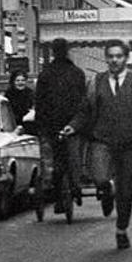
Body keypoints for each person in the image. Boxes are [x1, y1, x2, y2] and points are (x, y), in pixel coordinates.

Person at [65, 40, 132, 249]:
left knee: (126, 190)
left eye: (119, 56)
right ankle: (105, 189)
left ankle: (121, 229)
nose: (114, 60)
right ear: (106, 58)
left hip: (128, 144)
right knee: (98, 175)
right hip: (102, 140)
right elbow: (85, 110)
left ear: (126, 58)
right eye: (110, 56)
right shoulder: (96, 82)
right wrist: (73, 126)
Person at [34, 38, 88, 214]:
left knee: (55, 161)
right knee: (74, 157)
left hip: (51, 126)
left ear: (52, 52)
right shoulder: (77, 73)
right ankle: (76, 186)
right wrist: (79, 123)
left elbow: (40, 103)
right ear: (67, 51)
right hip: (73, 124)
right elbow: (83, 102)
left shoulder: (45, 75)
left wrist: (42, 126)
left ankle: (58, 196)